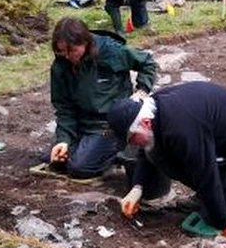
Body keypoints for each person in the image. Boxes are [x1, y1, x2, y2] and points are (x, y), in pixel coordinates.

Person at [106, 82, 226, 239]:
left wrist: (222, 224)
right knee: (156, 154)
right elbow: (147, 150)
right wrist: (137, 187)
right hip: (219, 145)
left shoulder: (180, 129)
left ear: (145, 122)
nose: (133, 144)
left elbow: (205, 174)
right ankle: (223, 192)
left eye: (131, 139)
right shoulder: (155, 111)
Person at [49, 17, 157, 178]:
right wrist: (63, 140)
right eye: (61, 51)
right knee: (59, 160)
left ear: (84, 42)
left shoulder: (110, 51)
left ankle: (122, 149)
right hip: (82, 124)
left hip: (109, 124)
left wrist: (142, 90)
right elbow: (64, 108)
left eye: (71, 50)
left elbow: (147, 62)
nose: (66, 56)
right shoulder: (60, 66)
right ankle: (90, 149)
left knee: (79, 168)